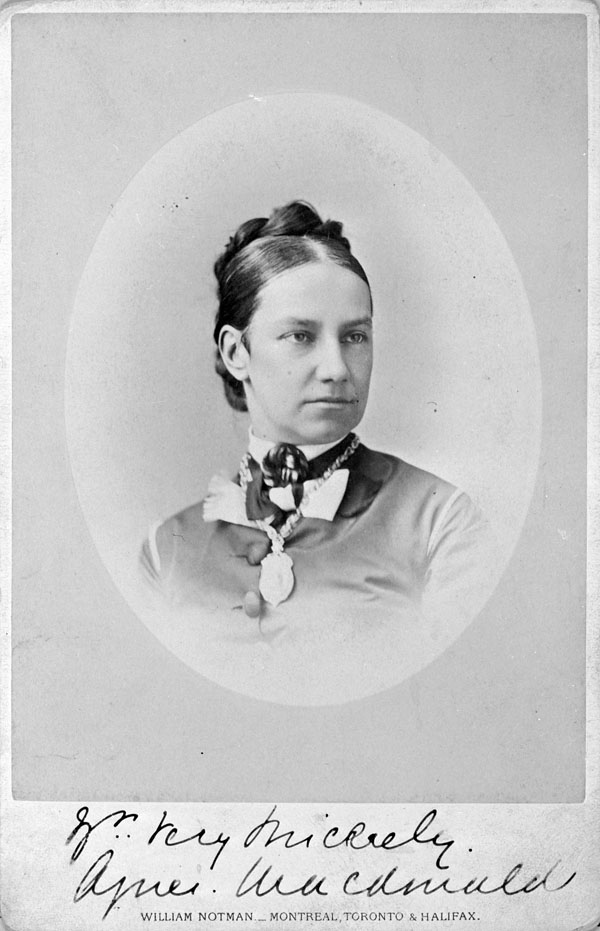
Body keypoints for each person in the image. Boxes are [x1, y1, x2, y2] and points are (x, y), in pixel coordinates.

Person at [139, 201, 497, 704]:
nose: (337, 367)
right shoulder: (168, 549)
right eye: (301, 336)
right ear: (236, 352)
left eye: (355, 337)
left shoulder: (442, 524)